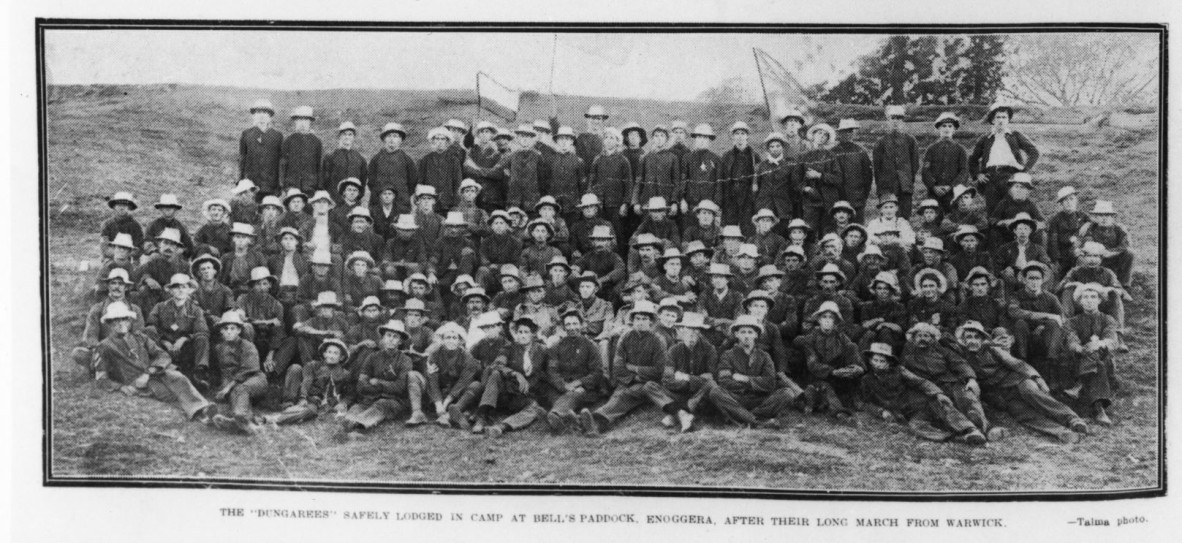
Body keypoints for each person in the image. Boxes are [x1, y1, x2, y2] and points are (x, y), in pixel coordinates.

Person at [957, 321, 1088, 443]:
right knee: (1021, 413)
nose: (972, 341)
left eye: (976, 337)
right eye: (968, 337)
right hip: (1001, 393)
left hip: (1018, 380)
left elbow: (1017, 364)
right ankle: (1061, 432)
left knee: (1032, 393)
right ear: (963, 340)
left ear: (982, 339)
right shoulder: (961, 356)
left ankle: (1072, 419)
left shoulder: (993, 349)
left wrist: (1037, 378)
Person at [577, 300, 694, 434]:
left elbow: (658, 370)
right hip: (627, 380)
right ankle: (594, 424)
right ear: (632, 320)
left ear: (651, 321)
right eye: (637, 318)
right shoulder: (626, 337)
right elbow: (618, 366)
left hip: (648, 383)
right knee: (618, 396)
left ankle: (594, 420)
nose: (640, 322)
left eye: (644, 319)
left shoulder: (657, 340)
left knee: (626, 396)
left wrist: (635, 370)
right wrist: (631, 378)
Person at [94, 300, 216, 422]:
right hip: (136, 383)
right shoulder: (104, 346)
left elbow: (163, 355)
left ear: (129, 321)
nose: (121, 323)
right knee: (172, 391)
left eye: (124, 319)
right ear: (109, 323)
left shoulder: (140, 337)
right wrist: (121, 387)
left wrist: (149, 372)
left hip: (153, 375)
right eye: (116, 320)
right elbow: (101, 379)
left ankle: (203, 412)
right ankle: (202, 413)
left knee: (177, 377)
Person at [860, 342, 983, 443]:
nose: (878, 364)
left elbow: (921, 382)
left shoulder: (900, 371)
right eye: (876, 360)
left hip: (920, 404)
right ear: (870, 361)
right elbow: (863, 402)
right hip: (907, 413)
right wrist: (881, 411)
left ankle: (970, 430)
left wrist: (938, 393)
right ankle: (958, 439)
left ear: (889, 362)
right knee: (916, 426)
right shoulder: (866, 380)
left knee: (940, 403)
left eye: (882, 361)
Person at [900, 322, 991, 444]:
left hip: (951, 384)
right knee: (923, 418)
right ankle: (964, 434)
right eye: (919, 336)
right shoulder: (908, 358)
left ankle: (983, 429)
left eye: (926, 336)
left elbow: (960, 363)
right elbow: (908, 379)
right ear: (914, 339)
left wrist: (971, 379)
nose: (922, 338)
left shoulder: (943, 352)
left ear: (932, 339)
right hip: (929, 391)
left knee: (967, 397)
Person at [709, 315, 802, 428]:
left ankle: (743, 418)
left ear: (756, 334)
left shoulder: (764, 356)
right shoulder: (727, 355)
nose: (747, 336)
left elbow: (770, 383)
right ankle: (758, 421)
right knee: (716, 392)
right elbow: (724, 381)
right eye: (743, 332)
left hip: (760, 400)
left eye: (750, 332)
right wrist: (756, 384)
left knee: (787, 393)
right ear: (737, 334)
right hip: (737, 398)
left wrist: (746, 379)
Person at [342, 319, 428, 434]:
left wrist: (377, 382)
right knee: (355, 409)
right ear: (383, 338)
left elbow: (399, 387)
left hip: (394, 401)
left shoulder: (405, 360)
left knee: (382, 404)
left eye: (395, 337)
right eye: (388, 335)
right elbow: (361, 384)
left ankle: (360, 425)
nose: (391, 339)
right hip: (370, 397)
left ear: (400, 342)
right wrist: (377, 388)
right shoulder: (372, 357)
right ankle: (350, 423)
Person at [473, 317, 553, 437]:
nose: (522, 335)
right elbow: (497, 365)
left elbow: (551, 371)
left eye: (526, 332)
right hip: (506, 392)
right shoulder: (509, 348)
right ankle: (482, 416)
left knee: (534, 409)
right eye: (520, 332)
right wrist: (515, 374)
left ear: (532, 334)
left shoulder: (542, 351)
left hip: (524, 395)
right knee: (495, 374)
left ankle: (502, 427)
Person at [1063, 283, 1120, 426]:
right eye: (1085, 297)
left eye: (1093, 297)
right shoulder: (1072, 322)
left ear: (1100, 300)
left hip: (1104, 358)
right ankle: (1099, 410)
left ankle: (1080, 384)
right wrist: (1081, 349)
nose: (1089, 300)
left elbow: (1111, 340)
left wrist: (1099, 344)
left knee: (1099, 358)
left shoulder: (1108, 319)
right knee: (1097, 363)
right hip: (1079, 360)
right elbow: (1071, 340)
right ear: (1080, 301)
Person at [968, 102, 1040, 214]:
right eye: (998, 117)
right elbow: (973, 159)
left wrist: (1024, 170)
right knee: (992, 211)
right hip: (990, 178)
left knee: (1011, 210)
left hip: (1010, 178)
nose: (1001, 120)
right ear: (992, 120)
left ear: (1008, 120)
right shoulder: (986, 139)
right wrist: (978, 174)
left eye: (1004, 117)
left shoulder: (1015, 135)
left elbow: (1034, 152)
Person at [797, 301, 865, 419]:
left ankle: (856, 399)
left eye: (831, 318)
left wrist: (858, 368)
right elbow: (813, 365)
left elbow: (851, 351)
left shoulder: (840, 336)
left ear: (835, 321)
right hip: (819, 377)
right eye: (824, 317)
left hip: (841, 377)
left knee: (852, 346)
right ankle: (839, 412)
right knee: (825, 388)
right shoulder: (810, 338)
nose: (827, 320)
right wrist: (832, 371)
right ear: (819, 320)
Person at [73, 270, 147, 376]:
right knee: (78, 353)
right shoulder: (97, 309)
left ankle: (112, 370)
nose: (117, 287)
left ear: (126, 287)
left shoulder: (134, 310)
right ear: (108, 286)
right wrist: (103, 348)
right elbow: (91, 336)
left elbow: (138, 335)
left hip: (127, 352)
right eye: (113, 283)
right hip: (103, 350)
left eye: (121, 284)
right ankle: (102, 368)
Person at [268, 338, 354, 425]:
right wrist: (302, 397)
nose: (331, 356)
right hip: (303, 394)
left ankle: (278, 418)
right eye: (329, 352)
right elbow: (307, 381)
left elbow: (350, 393)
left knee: (310, 411)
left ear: (341, 357)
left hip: (317, 402)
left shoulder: (344, 374)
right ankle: (288, 405)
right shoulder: (314, 365)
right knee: (295, 368)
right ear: (324, 354)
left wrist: (343, 403)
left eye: (335, 353)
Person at [209, 311, 269, 435]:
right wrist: (224, 388)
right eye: (226, 328)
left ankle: (240, 417)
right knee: (233, 394)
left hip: (255, 379)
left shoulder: (248, 346)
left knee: (241, 389)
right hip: (233, 382)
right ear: (221, 331)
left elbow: (248, 370)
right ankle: (242, 423)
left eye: (233, 328)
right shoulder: (219, 348)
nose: (229, 331)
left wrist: (228, 387)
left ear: (239, 331)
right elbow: (222, 371)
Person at [146, 273, 211, 385]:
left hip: (186, 348)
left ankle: (199, 373)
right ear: (170, 291)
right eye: (176, 287)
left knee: (202, 338)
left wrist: (184, 339)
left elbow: (201, 330)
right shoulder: (160, 307)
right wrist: (164, 342)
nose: (180, 290)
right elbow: (151, 325)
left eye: (184, 287)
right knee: (148, 331)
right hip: (163, 347)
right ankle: (154, 369)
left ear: (189, 290)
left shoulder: (195, 309)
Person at [1057, 242, 1129, 341]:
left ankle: (1118, 336)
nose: (1092, 259)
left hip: (1101, 304)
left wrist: (1109, 289)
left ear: (1101, 258)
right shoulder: (1075, 271)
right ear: (1083, 257)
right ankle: (1066, 330)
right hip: (1080, 303)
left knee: (1115, 295)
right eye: (1089, 256)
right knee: (1067, 292)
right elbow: (1060, 287)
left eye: (1096, 256)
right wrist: (1076, 284)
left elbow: (1121, 291)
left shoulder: (1107, 273)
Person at [660, 312, 720, 423]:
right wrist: (695, 380)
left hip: (700, 393)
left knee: (712, 386)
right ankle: (683, 412)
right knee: (650, 386)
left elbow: (712, 378)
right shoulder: (674, 350)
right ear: (680, 331)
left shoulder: (709, 349)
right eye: (688, 330)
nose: (691, 335)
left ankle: (678, 412)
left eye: (696, 331)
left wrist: (685, 377)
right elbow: (667, 378)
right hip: (679, 392)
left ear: (700, 332)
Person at [424, 322, 482, 427]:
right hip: (441, 391)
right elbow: (433, 379)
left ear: (460, 341)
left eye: (454, 338)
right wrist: (438, 404)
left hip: (458, 392)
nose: (451, 341)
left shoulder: (467, 357)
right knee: (428, 378)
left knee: (476, 386)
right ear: (442, 340)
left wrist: (445, 403)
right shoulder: (435, 354)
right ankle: (447, 414)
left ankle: (452, 413)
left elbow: (463, 382)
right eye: (448, 337)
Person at [872, 105, 921, 218]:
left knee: (904, 217)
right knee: (888, 217)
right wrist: (882, 186)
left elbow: (915, 164)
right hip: (887, 187)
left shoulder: (910, 140)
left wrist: (907, 179)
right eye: (892, 118)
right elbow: (877, 167)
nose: (895, 121)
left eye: (898, 118)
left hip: (905, 187)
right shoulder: (881, 142)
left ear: (902, 120)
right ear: (888, 120)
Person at [586, 127, 633, 244]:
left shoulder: (623, 160)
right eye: (606, 137)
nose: (608, 140)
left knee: (618, 234)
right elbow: (591, 181)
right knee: (600, 233)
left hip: (616, 205)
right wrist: (590, 199)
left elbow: (628, 184)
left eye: (612, 138)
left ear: (618, 141)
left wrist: (625, 203)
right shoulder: (597, 159)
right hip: (600, 204)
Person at [236, 267, 286, 368]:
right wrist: (267, 322)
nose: (262, 287)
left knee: (290, 341)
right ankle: (249, 366)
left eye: (265, 283)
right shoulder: (243, 300)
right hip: (250, 340)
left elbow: (278, 332)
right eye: (258, 284)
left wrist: (270, 355)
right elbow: (240, 320)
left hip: (268, 343)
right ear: (252, 286)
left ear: (270, 285)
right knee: (247, 327)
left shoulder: (277, 305)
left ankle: (271, 370)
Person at [922, 112, 970, 212]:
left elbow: (964, 171)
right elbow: (925, 170)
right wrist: (934, 186)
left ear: (954, 129)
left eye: (950, 126)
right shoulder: (931, 149)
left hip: (953, 192)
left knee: (952, 217)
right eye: (944, 126)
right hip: (934, 192)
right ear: (939, 128)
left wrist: (952, 186)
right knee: (934, 216)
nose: (947, 129)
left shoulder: (960, 149)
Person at [1079, 200, 1134, 286]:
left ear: (1112, 217)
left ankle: (1124, 284)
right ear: (1096, 217)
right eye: (1101, 215)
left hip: (1115, 259)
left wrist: (1111, 253)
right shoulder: (1091, 228)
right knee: (1082, 257)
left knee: (1130, 253)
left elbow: (1125, 244)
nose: (1104, 218)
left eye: (1107, 215)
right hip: (1097, 259)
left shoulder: (1118, 229)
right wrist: (1099, 252)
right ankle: (1088, 282)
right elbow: (1088, 242)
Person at [798, 123, 842, 231]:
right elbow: (795, 180)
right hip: (810, 200)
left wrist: (820, 175)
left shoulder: (831, 156)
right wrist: (805, 188)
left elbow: (838, 179)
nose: (822, 136)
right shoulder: (803, 156)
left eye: (825, 135)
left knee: (828, 231)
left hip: (828, 200)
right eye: (819, 133)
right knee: (809, 231)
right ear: (813, 135)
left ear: (827, 139)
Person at [719, 121, 760, 235]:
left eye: (743, 133)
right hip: (731, 196)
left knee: (747, 227)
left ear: (747, 136)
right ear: (732, 136)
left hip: (748, 196)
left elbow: (758, 179)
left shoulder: (754, 156)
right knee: (730, 227)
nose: (740, 136)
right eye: (737, 133)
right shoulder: (726, 156)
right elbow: (722, 179)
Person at [367, 122, 417, 213]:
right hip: (379, 202)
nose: (392, 139)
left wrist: (402, 194)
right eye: (389, 136)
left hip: (401, 202)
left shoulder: (407, 160)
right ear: (384, 139)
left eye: (395, 136)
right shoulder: (376, 159)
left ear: (401, 140)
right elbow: (371, 182)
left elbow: (412, 182)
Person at [831, 119, 874, 222]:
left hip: (857, 199)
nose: (848, 134)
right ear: (839, 133)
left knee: (857, 228)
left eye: (850, 131)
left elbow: (868, 176)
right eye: (845, 131)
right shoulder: (832, 152)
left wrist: (863, 196)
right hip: (838, 200)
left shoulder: (860, 151)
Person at [680, 124, 721, 231]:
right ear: (695, 139)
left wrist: (716, 203)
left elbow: (719, 183)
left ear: (709, 140)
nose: (702, 140)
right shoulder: (687, 158)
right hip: (690, 206)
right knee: (689, 233)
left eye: (705, 137)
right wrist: (682, 199)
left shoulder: (716, 159)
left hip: (708, 206)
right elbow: (682, 180)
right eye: (699, 137)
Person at [239, 99, 283, 198]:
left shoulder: (277, 136)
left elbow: (281, 161)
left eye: (265, 112)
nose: (262, 116)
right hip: (251, 185)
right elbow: (242, 159)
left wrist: (280, 184)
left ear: (270, 116)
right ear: (253, 115)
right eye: (258, 112)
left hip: (271, 185)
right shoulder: (247, 134)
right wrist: (240, 180)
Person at [633, 125, 680, 216]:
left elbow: (676, 182)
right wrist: (636, 202)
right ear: (652, 139)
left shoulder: (673, 158)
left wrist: (674, 202)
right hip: (647, 201)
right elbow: (639, 181)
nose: (659, 139)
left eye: (662, 136)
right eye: (656, 136)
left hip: (666, 201)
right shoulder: (645, 157)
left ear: (666, 139)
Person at [854, 271, 907, 350]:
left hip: (892, 340)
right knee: (868, 334)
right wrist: (877, 320)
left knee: (885, 331)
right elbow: (864, 325)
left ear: (891, 291)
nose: (883, 291)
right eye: (879, 288)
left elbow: (899, 329)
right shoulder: (868, 306)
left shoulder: (899, 307)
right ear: (875, 290)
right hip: (872, 339)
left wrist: (884, 324)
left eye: (886, 288)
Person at [572, 225, 626, 297]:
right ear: (593, 242)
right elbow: (578, 265)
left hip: (607, 289)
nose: (599, 244)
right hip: (590, 287)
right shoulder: (589, 256)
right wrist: (576, 273)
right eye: (597, 240)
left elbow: (620, 269)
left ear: (608, 242)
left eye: (603, 240)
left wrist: (602, 280)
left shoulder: (614, 256)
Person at [1045, 186, 1090, 273]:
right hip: (1064, 253)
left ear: (1076, 201)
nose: (1069, 202)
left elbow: (1093, 223)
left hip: (1081, 249)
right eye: (1065, 200)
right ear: (1061, 203)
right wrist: (1056, 260)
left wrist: (1087, 224)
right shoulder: (1056, 219)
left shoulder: (1082, 216)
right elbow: (1053, 242)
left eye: (1071, 199)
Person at [280, 105, 322, 195]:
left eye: (306, 120)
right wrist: (283, 185)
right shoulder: (289, 141)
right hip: (291, 187)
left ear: (310, 122)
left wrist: (318, 187)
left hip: (310, 188)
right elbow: (283, 165)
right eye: (300, 120)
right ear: (295, 121)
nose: (303, 123)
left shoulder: (316, 142)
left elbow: (319, 166)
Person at [321, 122, 367, 203]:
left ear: (353, 137)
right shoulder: (330, 157)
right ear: (339, 136)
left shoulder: (360, 159)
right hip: (335, 201)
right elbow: (325, 181)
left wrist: (357, 197)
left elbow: (362, 182)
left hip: (354, 202)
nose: (347, 137)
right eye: (344, 134)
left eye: (350, 134)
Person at [420, 127, 464, 212]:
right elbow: (420, 181)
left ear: (447, 142)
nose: (440, 142)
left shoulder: (454, 160)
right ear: (433, 141)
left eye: (443, 139)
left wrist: (455, 203)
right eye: (437, 139)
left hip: (448, 203)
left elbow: (457, 183)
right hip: (429, 203)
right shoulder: (426, 159)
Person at [219, 223, 268, 296]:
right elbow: (220, 279)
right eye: (238, 237)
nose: (240, 240)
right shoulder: (226, 258)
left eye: (244, 237)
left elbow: (264, 278)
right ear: (233, 239)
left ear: (249, 240)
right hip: (231, 292)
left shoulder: (257, 256)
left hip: (252, 292)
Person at [99, 191, 144, 262]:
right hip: (111, 257)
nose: (121, 208)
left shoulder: (135, 226)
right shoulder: (107, 224)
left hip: (130, 259)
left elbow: (139, 248)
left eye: (124, 205)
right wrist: (118, 255)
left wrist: (125, 254)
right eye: (119, 205)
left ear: (129, 207)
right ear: (114, 207)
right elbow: (104, 248)